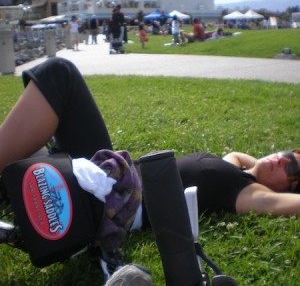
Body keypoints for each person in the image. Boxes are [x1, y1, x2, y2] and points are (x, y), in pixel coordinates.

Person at [0, 58, 299, 280]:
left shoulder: (249, 192)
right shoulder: (234, 167)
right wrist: (257, 164)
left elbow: (280, 203)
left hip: (114, 198)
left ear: (289, 186)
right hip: (107, 172)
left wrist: (267, 182)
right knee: (25, 156)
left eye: (293, 166)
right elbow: (239, 156)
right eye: (289, 153)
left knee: (60, 76)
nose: (284, 158)